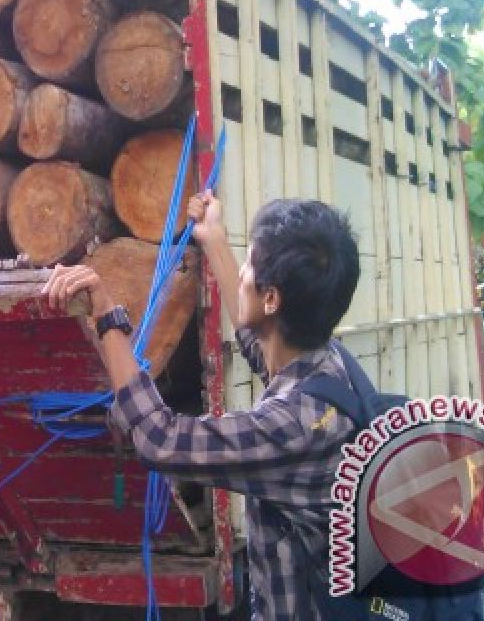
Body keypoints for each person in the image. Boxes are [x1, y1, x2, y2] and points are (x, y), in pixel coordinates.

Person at [42, 192, 362, 621]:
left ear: (271, 299)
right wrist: (213, 238)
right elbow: (259, 342)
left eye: (249, 263)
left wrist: (106, 315)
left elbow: (161, 440)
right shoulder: (329, 365)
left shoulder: (298, 423)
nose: (243, 270)